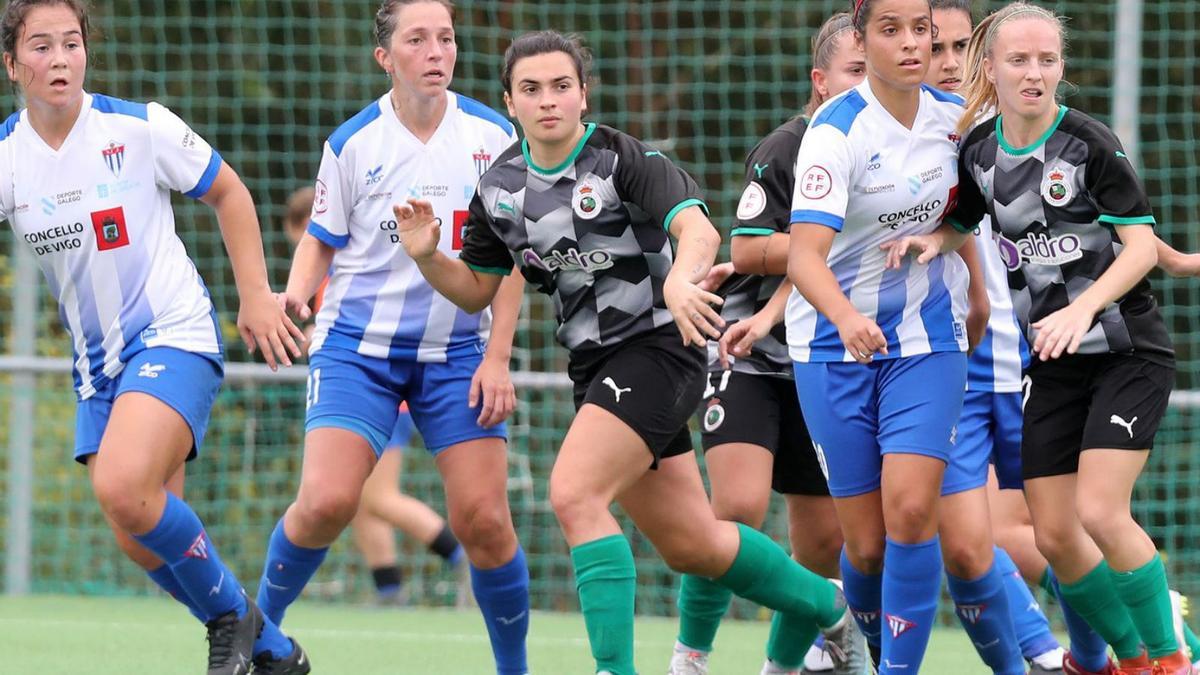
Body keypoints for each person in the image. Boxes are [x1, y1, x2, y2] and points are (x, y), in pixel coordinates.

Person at [396, 29, 869, 675]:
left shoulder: (623, 159)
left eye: (562, 86)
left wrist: (681, 276)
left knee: (573, 491)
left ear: (583, 93)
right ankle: (829, 608)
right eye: (531, 89)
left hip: (660, 348)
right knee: (692, 543)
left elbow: (697, 227)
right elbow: (476, 290)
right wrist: (428, 257)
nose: (549, 100)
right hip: (594, 367)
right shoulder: (500, 188)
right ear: (510, 102)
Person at [0, 0, 308, 672]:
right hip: (98, 364)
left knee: (121, 484)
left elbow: (229, 191)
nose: (60, 60)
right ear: (12, 64)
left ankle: (233, 618)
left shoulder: (138, 128)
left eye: (71, 43)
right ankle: (276, 653)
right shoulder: (8, 158)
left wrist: (255, 294)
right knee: (140, 534)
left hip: (175, 332)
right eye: (42, 47)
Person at [254, 2, 531, 674]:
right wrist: (290, 298)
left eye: (446, 38)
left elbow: (518, 257)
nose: (436, 51)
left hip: (458, 354)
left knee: (486, 524)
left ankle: (513, 668)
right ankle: (255, 638)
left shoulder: (494, 138)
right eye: (418, 39)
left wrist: (497, 358)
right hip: (358, 351)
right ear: (386, 57)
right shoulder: (353, 144)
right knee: (326, 501)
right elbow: (319, 243)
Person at [947, 2, 1191, 672]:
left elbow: (1138, 248)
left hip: (1125, 352)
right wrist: (922, 239)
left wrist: (1084, 307)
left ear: (1061, 68)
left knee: (1101, 511)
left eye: (1047, 60)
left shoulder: (1087, 143)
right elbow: (960, 222)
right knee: (1054, 533)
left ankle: (1173, 658)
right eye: (1019, 60)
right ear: (991, 68)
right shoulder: (979, 151)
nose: (1034, 72)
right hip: (1053, 364)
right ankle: (1130, 655)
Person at [787, 0, 996, 671]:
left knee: (911, 511)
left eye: (921, 32)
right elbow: (802, 258)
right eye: (890, 30)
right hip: (831, 345)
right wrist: (847, 318)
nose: (910, 45)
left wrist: (949, 246)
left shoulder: (958, 124)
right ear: (861, 37)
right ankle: (869, 654)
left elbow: (974, 211)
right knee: (867, 546)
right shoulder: (833, 131)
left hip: (928, 339)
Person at [668, 13, 864, 675]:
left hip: (828, 362)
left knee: (822, 539)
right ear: (821, 80)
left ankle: (781, 665)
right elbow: (749, 246)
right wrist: (833, 241)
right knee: (738, 509)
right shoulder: (787, 148)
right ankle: (689, 655)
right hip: (750, 354)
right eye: (854, 71)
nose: (868, 85)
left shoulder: (894, 157)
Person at [281, 188, 468, 607]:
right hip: (373, 386)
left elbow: (348, 321)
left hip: (378, 391)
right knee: (361, 502)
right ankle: (389, 588)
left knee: (378, 498)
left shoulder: (337, 265)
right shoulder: (338, 266)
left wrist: (314, 336)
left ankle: (462, 557)